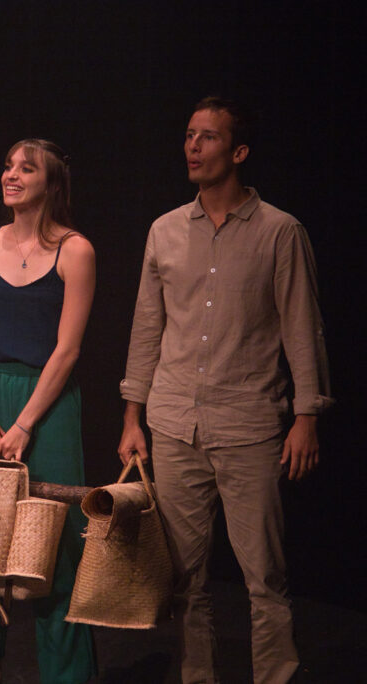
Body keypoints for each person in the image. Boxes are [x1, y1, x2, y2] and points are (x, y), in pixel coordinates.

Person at [117, 97, 333, 684]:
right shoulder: (164, 230)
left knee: (264, 574)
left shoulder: (279, 232)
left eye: (207, 137)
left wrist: (307, 415)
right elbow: (147, 328)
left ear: (237, 151)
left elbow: (300, 327)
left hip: (249, 426)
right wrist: (132, 416)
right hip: (173, 421)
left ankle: (275, 676)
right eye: (188, 135)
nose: (192, 146)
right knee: (184, 576)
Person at [0, 140, 97, 684]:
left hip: (46, 402)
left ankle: (65, 671)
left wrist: (23, 424)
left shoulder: (75, 250)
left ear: (50, 181)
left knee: (55, 539)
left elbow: (68, 350)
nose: (11, 175)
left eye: (25, 168)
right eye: (8, 166)